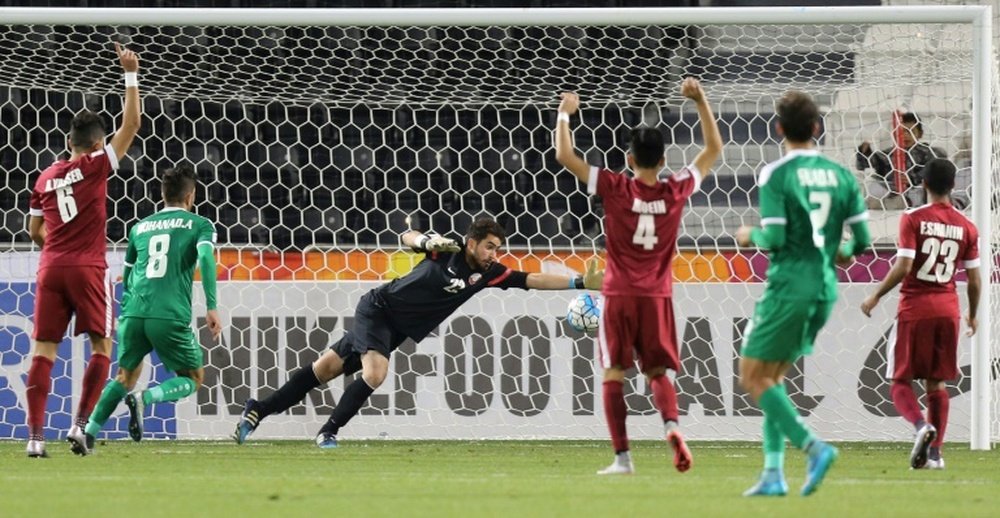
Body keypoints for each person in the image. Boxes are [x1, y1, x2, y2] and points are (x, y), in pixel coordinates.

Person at [233, 218, 603, 447]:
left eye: (498, 248)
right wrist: (426, 242)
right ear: (472, 242)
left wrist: (577, 280)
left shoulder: (490, 273)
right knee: (375, 373)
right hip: (377, 308)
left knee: (323, 370)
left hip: (395, 328)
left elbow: (532, 279)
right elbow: (407, 234)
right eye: (489, 246)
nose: (494, 253)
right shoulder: (447, 251)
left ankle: (258, 410)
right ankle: (328, 432)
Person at [554, 77, 723, 475]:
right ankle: (671, 427)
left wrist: (564, 113)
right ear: (663, 161)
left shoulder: (614, 186)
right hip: (658, 297)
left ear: (630, 159)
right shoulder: (675, 190)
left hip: (619, 293)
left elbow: (565, 155)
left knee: (614, 372)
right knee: (657, 372)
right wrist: (700, 100)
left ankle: (623, 459)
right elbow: (714, 149)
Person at [735, 91, 871, 496]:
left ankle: (814, 447)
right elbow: (860, 242)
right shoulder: (843, 176)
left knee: (752, 376)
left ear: (778, 128)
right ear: (817, 128)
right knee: (772, 378)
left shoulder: (776, 175)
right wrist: (839, 251)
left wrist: (748, 235)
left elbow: (774, 236)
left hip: (790, 284)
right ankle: (773, 474)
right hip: (825, 287)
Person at [25, 42, 141, 458]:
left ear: (68, 141)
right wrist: (130, 74)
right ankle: (78, 427)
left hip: (51, 266)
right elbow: (132, 124)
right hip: (89, 268)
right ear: (95, 146)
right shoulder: (95, 166)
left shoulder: (45, 177)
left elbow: (34, 228)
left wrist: (56, 247)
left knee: (43, 351)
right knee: (101, 347)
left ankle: (36, 438)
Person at [78, 164, 222, 453]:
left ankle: (87, 432)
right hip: (168, 314)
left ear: (162, 194)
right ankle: (147, 398)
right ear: (191, 196)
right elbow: (206, 260)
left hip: (132, 313)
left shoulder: (139, 228)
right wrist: (212, 306)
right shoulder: (200, 224)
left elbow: (127, 275)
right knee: (193, 378)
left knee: (124, 377)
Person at [860, 158, 979, 471]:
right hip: (948, 309)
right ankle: (936, 453)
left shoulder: (912, 217)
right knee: (936, 384)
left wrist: (875, 294)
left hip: (916, 307)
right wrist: (973, 314)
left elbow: (904, 265)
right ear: (954, 186)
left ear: (923, 184)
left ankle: (920, 427)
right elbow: (975, 279)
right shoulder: (966, 226)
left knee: (899, 381)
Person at [856, 112, 947, 209]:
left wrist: (913, 178)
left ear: (920, 134)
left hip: (915, 191)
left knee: (922, 189)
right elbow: (868, 164)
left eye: (910, 131)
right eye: (901, 131)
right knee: (874, 186)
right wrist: (865, 152)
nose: (905, 135)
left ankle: (905, 203)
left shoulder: (928, 152)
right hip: (890, 191)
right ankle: (880, 204)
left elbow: (936, 164)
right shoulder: (888, 154)